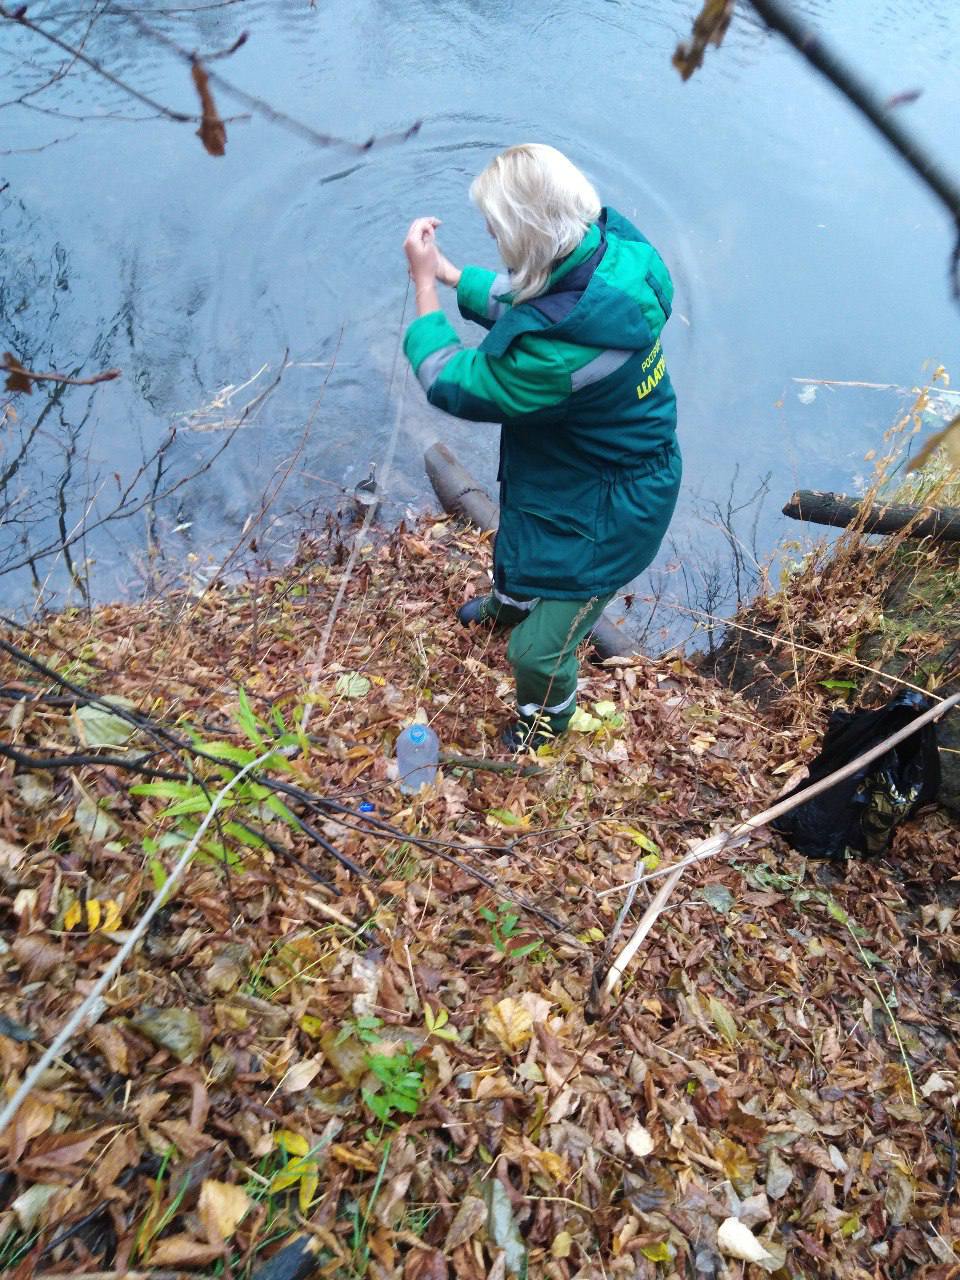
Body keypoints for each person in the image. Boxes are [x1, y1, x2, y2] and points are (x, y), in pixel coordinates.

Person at [402, 143, 680, 751]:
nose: (489, 233)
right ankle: (510, 604)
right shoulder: (610, 254)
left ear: (525, 233)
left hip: (616, 513)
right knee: (522, 541)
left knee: (536, 652)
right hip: (580, 469)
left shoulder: (555, 358)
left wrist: (423, 288)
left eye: (495, 226)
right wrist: (452, 275)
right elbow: (536, 300)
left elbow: (450, 380)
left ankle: (544, 722)